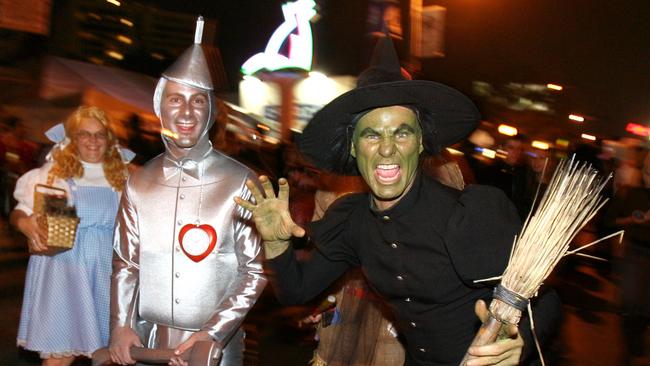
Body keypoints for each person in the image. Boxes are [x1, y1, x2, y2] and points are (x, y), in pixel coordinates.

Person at [235, 35, 561, 366]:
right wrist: (275, 245)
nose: (387, 148)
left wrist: (520, 345)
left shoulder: (469, 215)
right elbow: (296, 292)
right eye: (372, 134)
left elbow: (545, 301)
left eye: (401, 133)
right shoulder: (352, 220)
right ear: (353, 148)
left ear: (420, 142)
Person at [109, 17, 266, 366]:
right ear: (160, 107)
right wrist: (120, 325)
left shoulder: (241, 180)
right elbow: (126, 262)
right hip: (149, 341)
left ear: (210, 112)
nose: (186, 111)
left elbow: (253, 270)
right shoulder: (138, 181)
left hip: (215, 347)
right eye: (176, 99)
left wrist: (212, 332)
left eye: (198, 101)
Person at [11, 106, 130, 365]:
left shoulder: (123, 176)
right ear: (72, 138)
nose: (93, 141)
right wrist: (25, 224)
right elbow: (20, 211)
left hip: (104, 270)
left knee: (109, 354)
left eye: (100, 135)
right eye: (84, 134)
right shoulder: (54, 173)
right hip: (62, 270)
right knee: (60, 355)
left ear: (109, 140)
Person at [603, 150, 650, 365]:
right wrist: (633, 219)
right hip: (634, 252)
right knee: (629, 301)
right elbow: (611, 221)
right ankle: (629, 347)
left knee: (645, 306)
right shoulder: (630, 193)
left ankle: (636, 336)